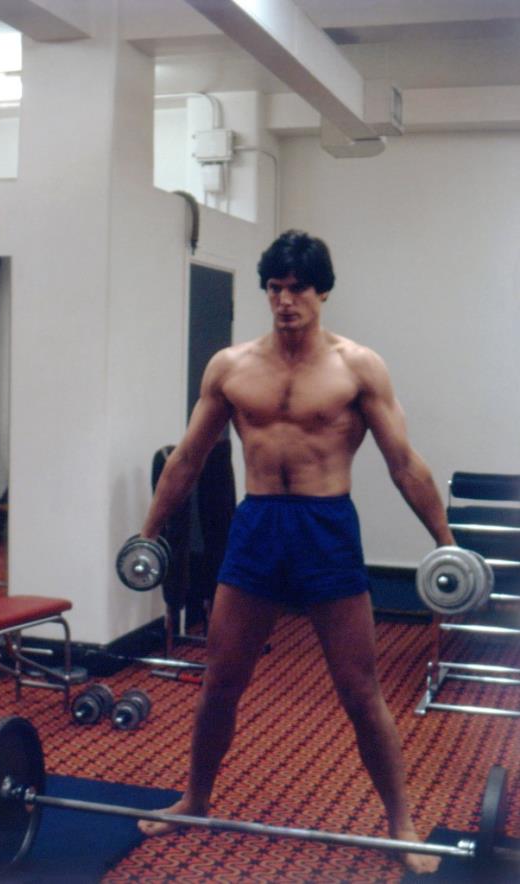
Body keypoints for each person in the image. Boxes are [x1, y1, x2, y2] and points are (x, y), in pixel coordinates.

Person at [137, 230, 454, 875]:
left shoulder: (357, 366)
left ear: (322, 291)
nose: (285, 301)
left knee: (359, 688)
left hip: (325, 528)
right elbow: (188, 459)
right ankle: (195, 799)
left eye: (298, 288)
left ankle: (401, 822)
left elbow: (404, 465)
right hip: (257, 528)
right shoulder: (230, 367)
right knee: (221, 681)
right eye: (275, 289)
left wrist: (449, 548)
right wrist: (146, 535)